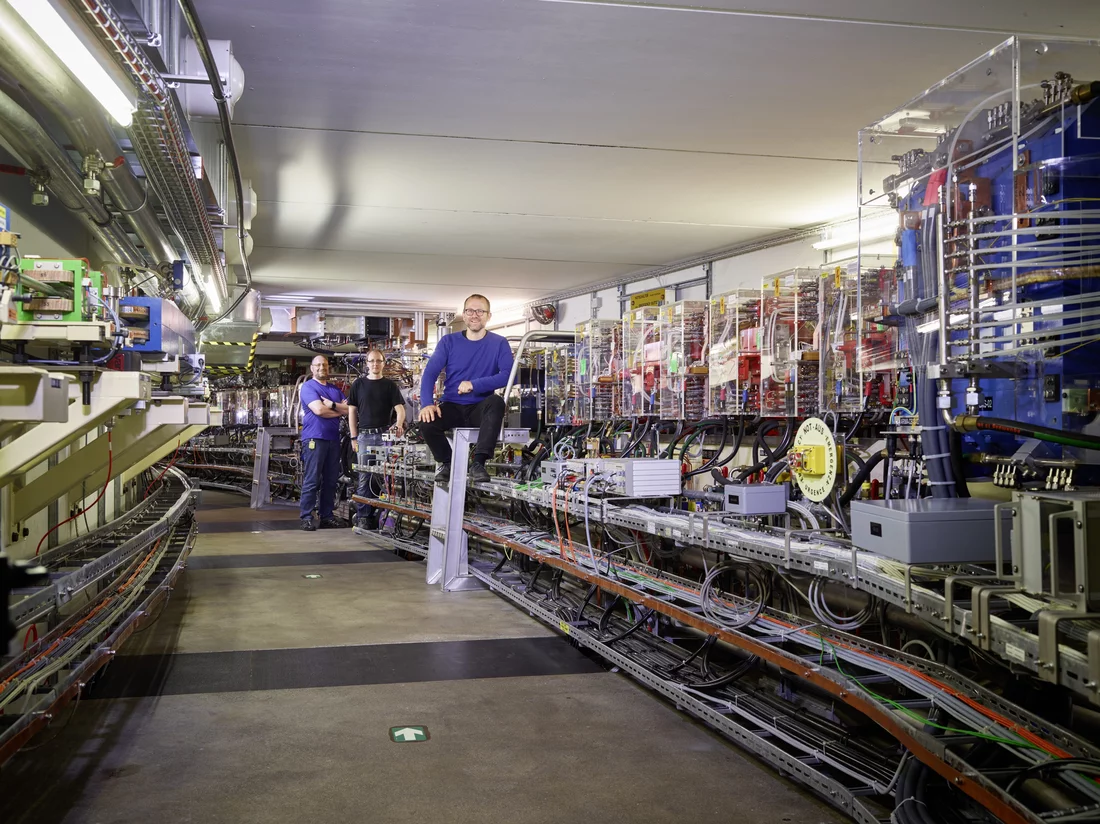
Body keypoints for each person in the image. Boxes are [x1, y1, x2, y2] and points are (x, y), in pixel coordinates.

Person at [418, 294, 513, 488]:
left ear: (488, 316)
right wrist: (427, 403)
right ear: (464, 314)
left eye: (480, 311)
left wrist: (474, 384)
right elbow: (430, 373)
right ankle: (447, 462)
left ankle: (478, 463)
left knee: (496, 402)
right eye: (470, 310)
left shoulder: (499, 343)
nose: (474, 315)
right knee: (426, 422)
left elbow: (509, 375)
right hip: (452, 406)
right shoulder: (448, 342)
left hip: (480, 407)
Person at [348, 349, 406, 529]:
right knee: (364, 476)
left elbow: (401, 410)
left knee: (381, 478)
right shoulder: (358, 384)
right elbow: (352, 412)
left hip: (382, 438)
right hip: (364, 437)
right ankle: (364, 516)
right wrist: (354, 437)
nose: (375, 364)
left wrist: (399, 424)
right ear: (367, 363)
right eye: (372, 361)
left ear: (383, 363)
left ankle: (380, 516)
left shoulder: (390, 386)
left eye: (378, 361)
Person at [298, 355, 349, 531]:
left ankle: (326, 516)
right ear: (312, 368)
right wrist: (339, 410)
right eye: (318, 365)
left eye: (325, 365)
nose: (322, 367)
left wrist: (333, 406)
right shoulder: (308, 387)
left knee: (331, 480)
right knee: (312, 479)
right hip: (314, 438)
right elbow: (319, 410)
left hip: (333, 439)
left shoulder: (335, 390)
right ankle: (306, 517)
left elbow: (350, 409)